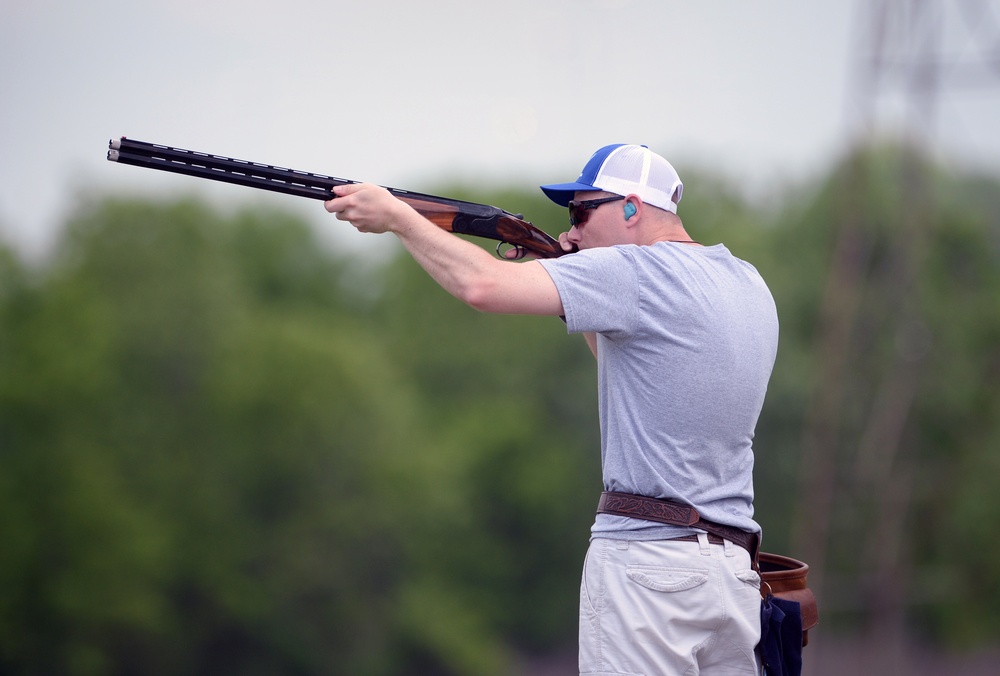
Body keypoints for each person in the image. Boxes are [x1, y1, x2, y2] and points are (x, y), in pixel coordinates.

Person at [325, 143, 778, 675]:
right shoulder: (746, 281)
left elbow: (480, 285)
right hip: (732, 576)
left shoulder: (634, 271)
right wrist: (562, 274)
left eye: (582, 212)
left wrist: (399, 218)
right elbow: (630, 363)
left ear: (632, 208)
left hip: (647, 568)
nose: (575, 230)